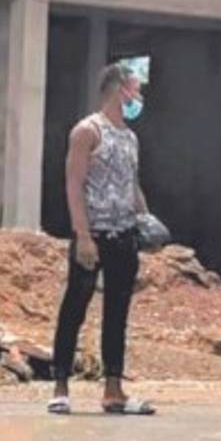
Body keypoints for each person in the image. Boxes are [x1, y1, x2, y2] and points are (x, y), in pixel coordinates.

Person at [48, 63, 154, 417]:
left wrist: (145, 218)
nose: (139, 96)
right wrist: (82, 236)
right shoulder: (87, 131)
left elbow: (131, 182)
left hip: (124, 234)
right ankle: (60, 384)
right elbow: (74, 184)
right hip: (93, 233)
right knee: (75, 308)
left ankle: (114, 389)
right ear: (119, 89)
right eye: (135, 89)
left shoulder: (130, 136)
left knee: (117, 312)